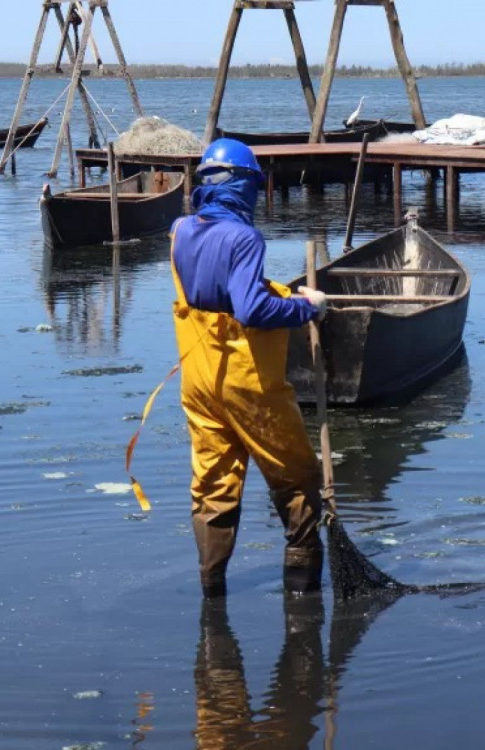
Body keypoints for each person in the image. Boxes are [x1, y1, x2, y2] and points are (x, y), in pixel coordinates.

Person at [170, 138, 329, 597]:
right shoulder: (244, 238)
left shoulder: (180, 230)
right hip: (248, 381)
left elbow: (213, 290)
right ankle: (303, 600)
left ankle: (211, 600)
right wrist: (308, 309)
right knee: (296, 477)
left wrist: (283, 293)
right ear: (242, 185)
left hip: (198, 379)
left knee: (213, 485)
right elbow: (251, 309)